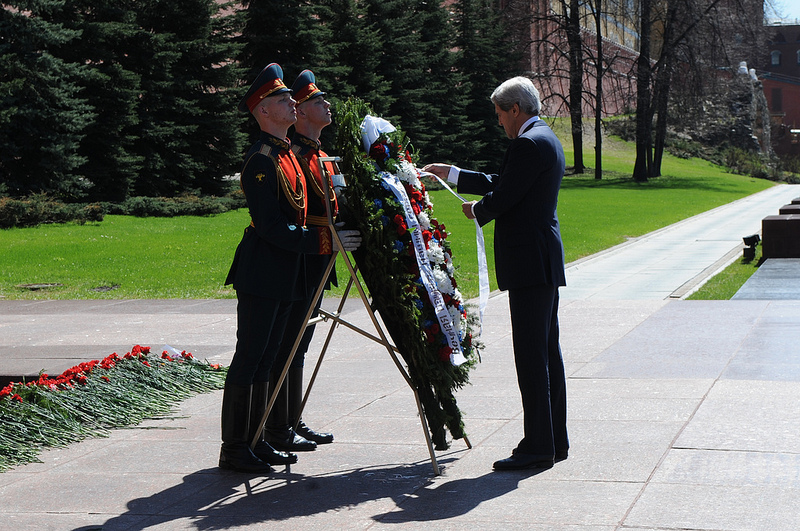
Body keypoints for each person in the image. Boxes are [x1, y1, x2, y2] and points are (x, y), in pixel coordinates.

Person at [423, 76, 568, 471]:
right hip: (541, 262)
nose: (499, 122)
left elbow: (502, 196)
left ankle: (538, 444)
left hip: (529, 264)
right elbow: (505, 184)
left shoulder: (526, 143)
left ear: (515, 110)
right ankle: (554, 438)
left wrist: (479, 210)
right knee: (546, 353)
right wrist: (449, 172)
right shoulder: (543, 137)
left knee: (532, 356)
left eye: (500, 114)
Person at [220, 63, 360, 473]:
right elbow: (270, 227)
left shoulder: (286, 156)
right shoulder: (262, 160)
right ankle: (235, 446)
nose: (291, 103)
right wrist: (322, 242)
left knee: (268, 358)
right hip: (264, 269)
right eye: (282, 100)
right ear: (263, 111)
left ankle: (259, 435)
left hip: (285, 269)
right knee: (251, 356)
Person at [264, 70, 338, 451]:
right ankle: (279, 425)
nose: (327, 106)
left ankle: (290, 420)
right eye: (316, 102)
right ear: (303, 115)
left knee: (301, 343)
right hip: (306, 257)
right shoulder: (295, 154)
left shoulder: (322, 155)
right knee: (290, 342)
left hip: (321, 257)